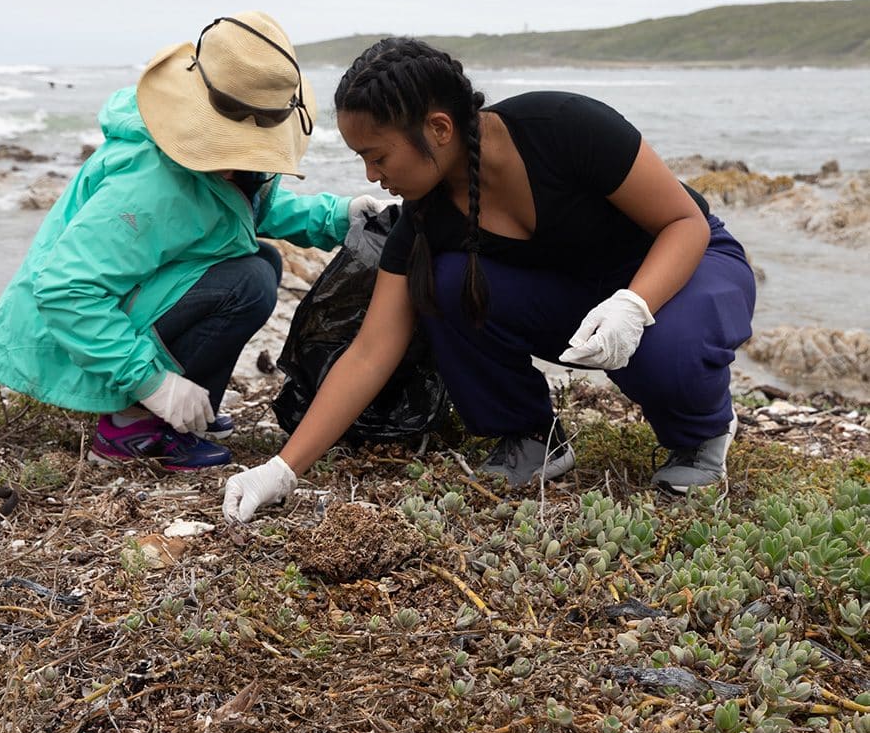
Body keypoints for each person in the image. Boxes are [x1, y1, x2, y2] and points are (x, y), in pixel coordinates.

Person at [223, 37, 757, 521]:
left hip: (685, 263)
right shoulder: (425, 217)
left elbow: (683, 222)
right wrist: (281, 470)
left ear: (438, 127)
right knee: (442, 281)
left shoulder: (564, 125)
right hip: (575, 290)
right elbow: (369, 352)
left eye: (377, 155)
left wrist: (636, 306)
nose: (370, 175)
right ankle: (531, 437)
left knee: (669, 351)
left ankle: (702, 437)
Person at [0, 12, 383, 472]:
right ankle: (129, 426)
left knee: (262, 262)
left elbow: (249, 210)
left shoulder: (235, 167)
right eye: (232, 145)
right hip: (73, 341)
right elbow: (66, 290)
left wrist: (338, 216)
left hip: (132, 304)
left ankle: (186, 415)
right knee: (248, 278)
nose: (240, 160)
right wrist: (151, 384)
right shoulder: (148, 184)